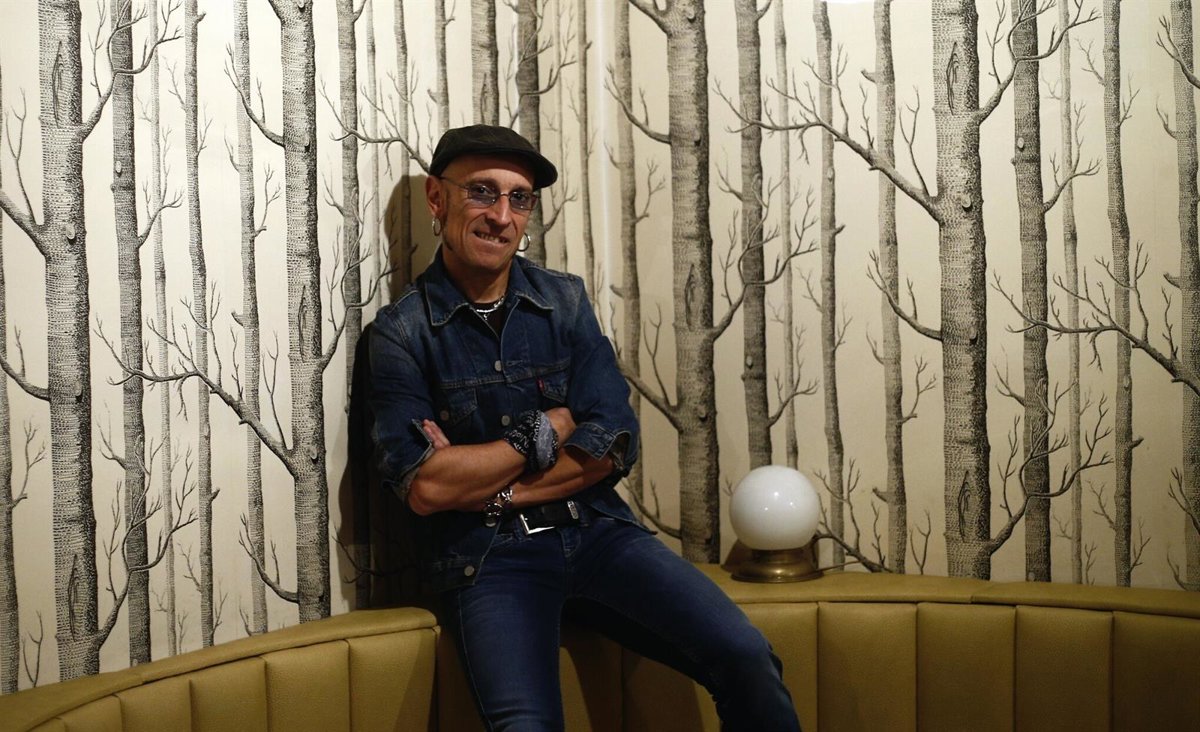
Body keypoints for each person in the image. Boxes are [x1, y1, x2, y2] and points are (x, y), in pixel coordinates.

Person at [369, 124, 801, 732]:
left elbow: (613, 441)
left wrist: (490, 488)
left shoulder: (564, 301)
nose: (501, 216)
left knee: (747, 656)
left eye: (519, 198)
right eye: (482, 192)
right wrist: (545, 429)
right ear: (437, 199)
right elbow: (426, 486)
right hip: (489, 558)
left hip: (598, 532)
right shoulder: (400, 333)